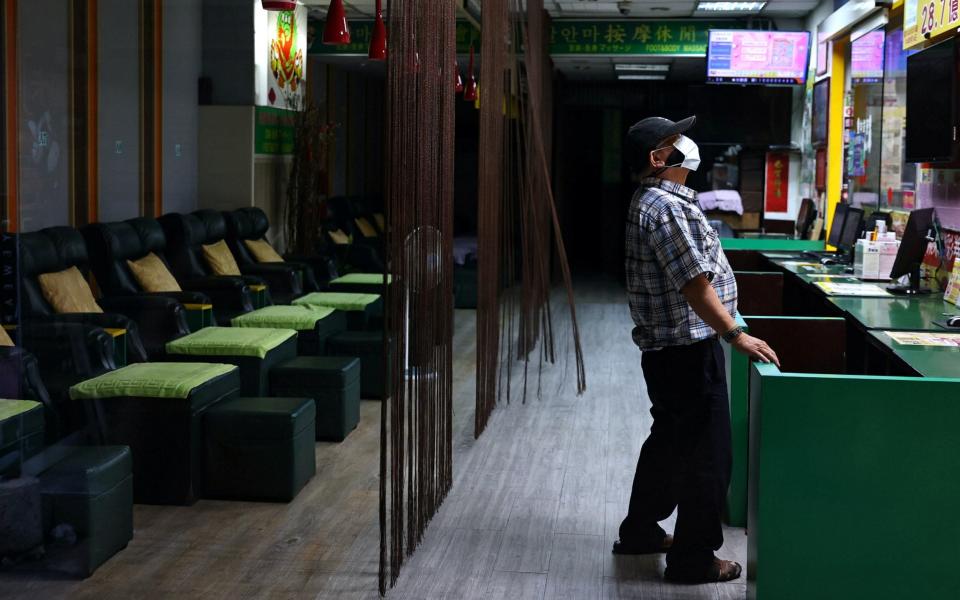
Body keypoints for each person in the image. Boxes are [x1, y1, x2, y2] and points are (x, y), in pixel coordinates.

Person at [613, 115, 780, 583]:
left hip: (669, 352)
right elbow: (693, 283)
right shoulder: (663, 207)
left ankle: (641, 531)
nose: (687, 143)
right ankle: (692, 560)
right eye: (675, 140)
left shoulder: (660, 201)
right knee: (708, 455)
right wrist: (735, 334)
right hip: (687, 350)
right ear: (659, 158)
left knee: (669, 442)